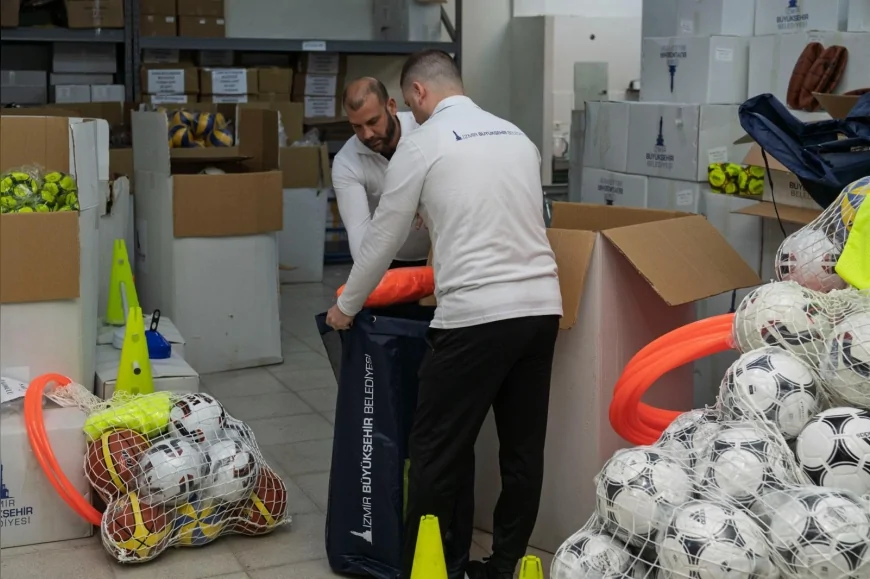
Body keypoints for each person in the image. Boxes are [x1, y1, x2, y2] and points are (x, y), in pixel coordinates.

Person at [326, 50, 563, 579]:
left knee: (434, 448)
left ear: (415, 94)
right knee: (522, 451)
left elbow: (379, 244)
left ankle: (426, 568)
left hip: (474, 316)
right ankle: (503, 566)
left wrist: (345, 307)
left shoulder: (423, 143)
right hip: (541, 308)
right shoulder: (517, 137)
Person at [332, 76, 431, 268]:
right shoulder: (346, 162)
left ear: (391, 106)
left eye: (373, 121)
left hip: (439, 253)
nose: (367, 134)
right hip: (388, 260)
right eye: (357, 126)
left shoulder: (424, 129)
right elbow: (359, 233)